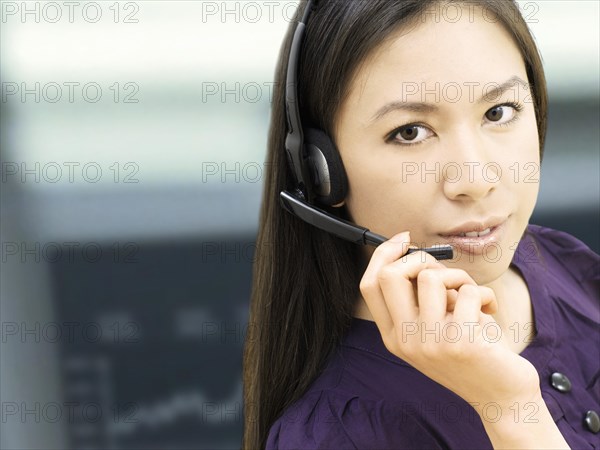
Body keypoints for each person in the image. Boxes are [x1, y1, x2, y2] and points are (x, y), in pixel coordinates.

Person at [243, 1, 600, 448]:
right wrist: (510, 411)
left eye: (499, 112)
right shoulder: (342, 434)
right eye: (410, 131)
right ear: (321, 170)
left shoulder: (562, 265)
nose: (475, 180)